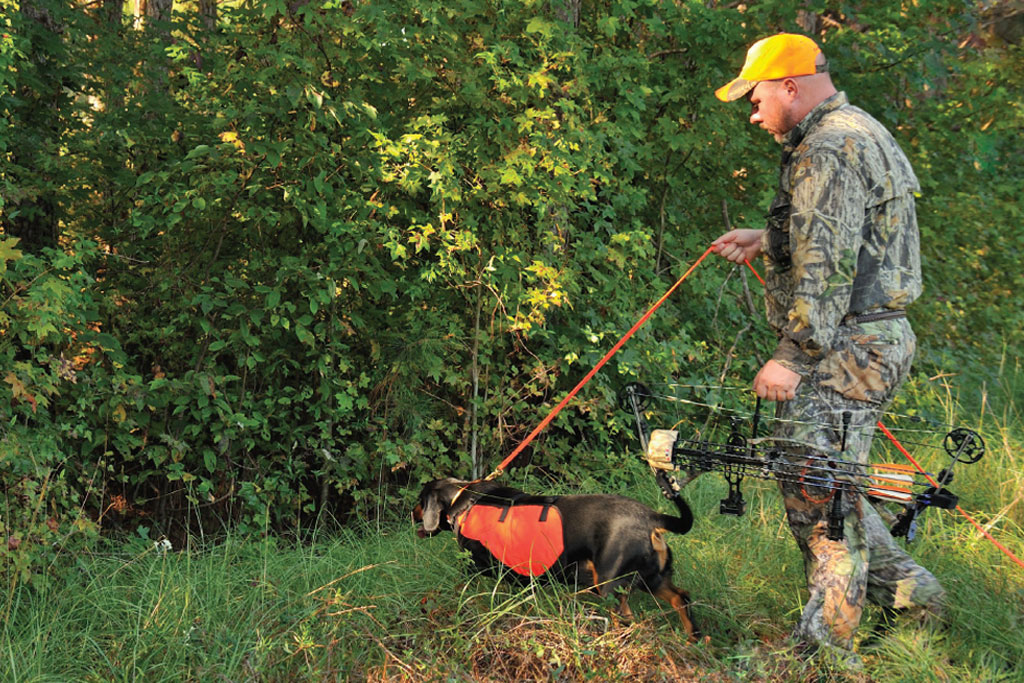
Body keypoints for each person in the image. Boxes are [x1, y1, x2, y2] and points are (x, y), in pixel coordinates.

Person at [710, 33, 945, 657]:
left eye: (756, 97)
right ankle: (917, 598)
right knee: (828, 483)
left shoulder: (830, 146)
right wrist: (771, 237)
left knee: (820, 499)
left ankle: (821, 654)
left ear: (790, 85)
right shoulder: (855, 128)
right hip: (868, 339)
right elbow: (845, 233)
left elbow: (828, 267)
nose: (754, 112)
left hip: (844, 346)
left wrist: (792, 355)